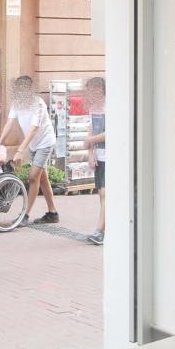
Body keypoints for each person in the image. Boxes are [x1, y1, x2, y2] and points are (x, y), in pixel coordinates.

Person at [0, 75, 59, 226]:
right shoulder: (16, 103)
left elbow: (34, 129)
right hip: (33, 145)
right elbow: (9, 124)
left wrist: (20, 150)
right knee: (42, 178)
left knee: (33, 177)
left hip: (45, 142)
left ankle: (24, 216)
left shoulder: (38, 104)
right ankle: (53, 213)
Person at [83, 77, 106, 245]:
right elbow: (90, 130)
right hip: (100, 156)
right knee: (102, 194)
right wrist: (90, 154)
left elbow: (111, 132)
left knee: (105, 194)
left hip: (111, 156)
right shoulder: (92, 109)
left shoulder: (110, 107)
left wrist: (89, 141)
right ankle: (104, 229)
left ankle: (100, 231)